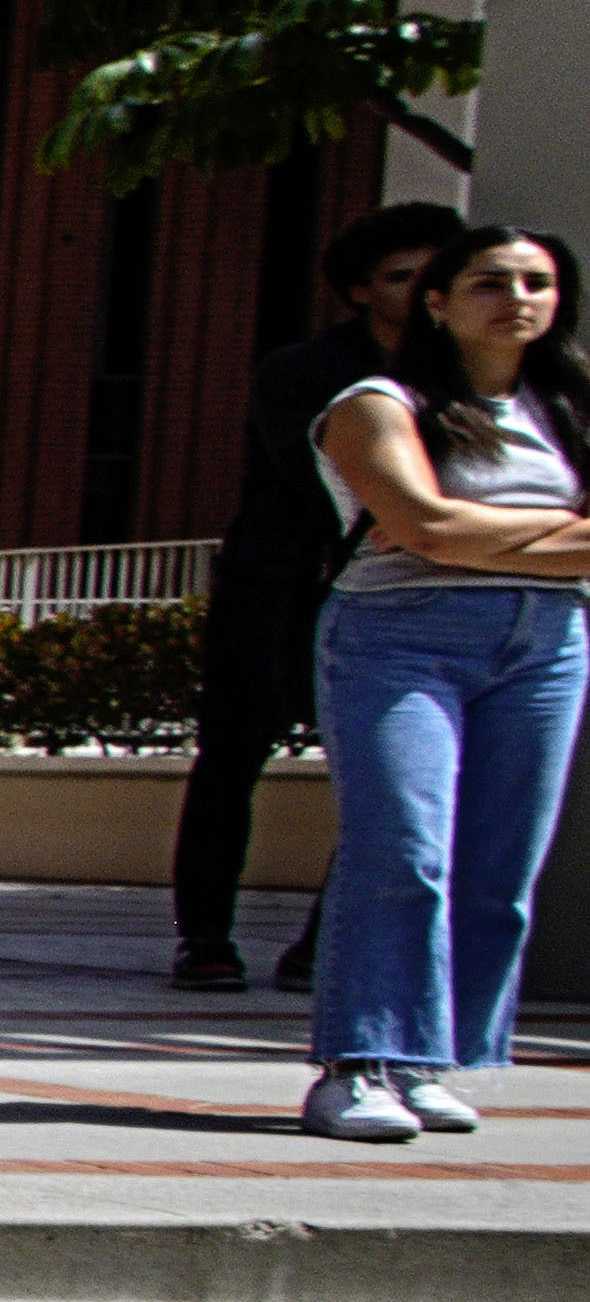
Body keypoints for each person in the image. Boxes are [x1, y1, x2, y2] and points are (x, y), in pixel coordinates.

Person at [299, 217, 588, 1148]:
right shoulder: (380, 403)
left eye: (536, 283)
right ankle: (357, 1066)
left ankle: (428, 1062)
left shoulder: (571, 406)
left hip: (549, 641)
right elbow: (418, 529)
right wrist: (532, 531)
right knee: (402, 849)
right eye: (490, 283)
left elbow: (439, 526)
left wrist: (465, 530)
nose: (518, 300)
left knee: (500, 866)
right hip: (400, 636)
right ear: (437, 303)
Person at [190, 202, 464, 993]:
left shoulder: (460, 377)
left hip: (400, 583)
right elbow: (319, 475)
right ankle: (205, 938)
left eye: (436, 275)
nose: (422, 291)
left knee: (386, 770)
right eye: (401, 276)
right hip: (279, 586)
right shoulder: (302, 371)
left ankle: (322, 943)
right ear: (360, 291)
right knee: (232, 758)